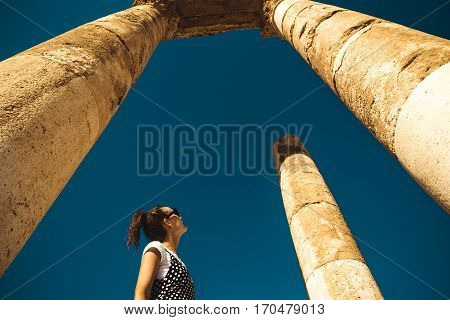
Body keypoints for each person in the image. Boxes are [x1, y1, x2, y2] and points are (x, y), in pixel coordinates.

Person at [127, 205, 195, 300]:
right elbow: (141, 292)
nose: (180, 216)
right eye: (176, 212)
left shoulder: (179, 262)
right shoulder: (156, 247)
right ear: (167, 222)